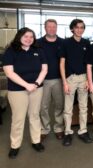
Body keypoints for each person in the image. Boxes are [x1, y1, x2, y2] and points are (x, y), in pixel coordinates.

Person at [3, 27, 48, 158]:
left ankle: (36, 141)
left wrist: (36, 84)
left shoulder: (38, 50)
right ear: (19, 37)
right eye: (26, 36)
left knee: (34, 115)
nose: (29, 39)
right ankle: (15, 145)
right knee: (18, 118)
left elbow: (44, 69)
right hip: (17, 90)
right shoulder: (11, 51)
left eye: (31, 37)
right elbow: (9, 72)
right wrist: (26, 85)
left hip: (36, 88)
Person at [60, 19, 92, 146]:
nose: (79, 30)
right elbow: (62, 63)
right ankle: (68, 132)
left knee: (83, 107)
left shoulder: (86, 42)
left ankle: (83, 131)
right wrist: (64, 82)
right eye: (77, 27)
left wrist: (89, 81)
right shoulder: (65, 43)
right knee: (68, 108)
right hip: (70, 79)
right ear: (72, 29)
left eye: (82, 27)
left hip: (83, 78)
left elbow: (89, 63)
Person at [37, 19, 64, 141]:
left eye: (54, 27)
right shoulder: (37, 43)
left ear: (56, 28)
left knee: (59, 105)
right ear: (45, 28)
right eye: (49, 27)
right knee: (43, 106)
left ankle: (59, 128)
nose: (52, 29)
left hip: (59, 79)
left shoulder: (63, 43)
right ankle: (44, 129)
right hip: (43, 81)